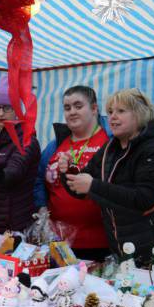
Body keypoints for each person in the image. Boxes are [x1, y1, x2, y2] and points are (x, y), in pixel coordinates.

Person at [59, 88, 154, 265]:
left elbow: (146, 198)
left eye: (121, 111)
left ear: (139, 113)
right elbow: (80, 190)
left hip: (152, 250)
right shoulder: (110, 148)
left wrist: (93, 186)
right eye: (110, 112)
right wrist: (68, 171)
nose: (112, 117)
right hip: (120, 249)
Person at [34, 86, 110, 261]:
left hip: (101, 243)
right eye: (67, 108)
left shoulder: (109, 140)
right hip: (59, 243)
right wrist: (42, 208)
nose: (72, 112)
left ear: (94, 108)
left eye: (78, 106)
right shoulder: (55, 145)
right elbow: (38, 179)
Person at [0, 75, 41, 233]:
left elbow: (13, 174)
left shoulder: (26, 139)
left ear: (17, 110)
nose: (1, 113)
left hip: (12, 225)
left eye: (7, 108)